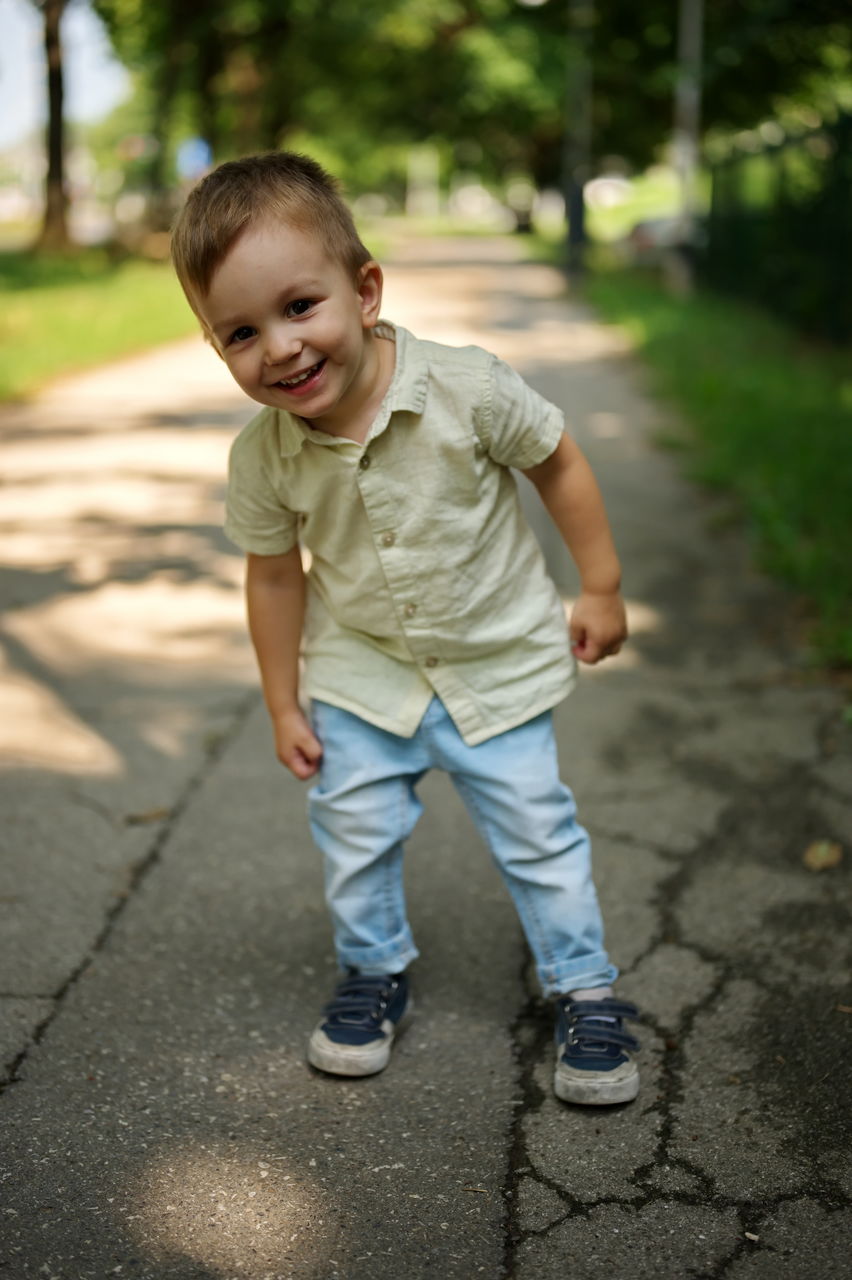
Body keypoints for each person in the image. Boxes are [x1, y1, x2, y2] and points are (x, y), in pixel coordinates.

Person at [170, 151, 640, 1106]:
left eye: (301, 308)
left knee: (539, 835)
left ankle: (585, 988)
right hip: (362, 676)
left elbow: (559, 462)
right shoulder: (264, 455)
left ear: (366, 289)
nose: (281, 349)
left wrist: (600, 586)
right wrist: (280, 701)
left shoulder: (467, 387)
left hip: (495, 664)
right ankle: (373, 972)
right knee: (353, 833)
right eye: (241, 334)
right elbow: (272, 577)